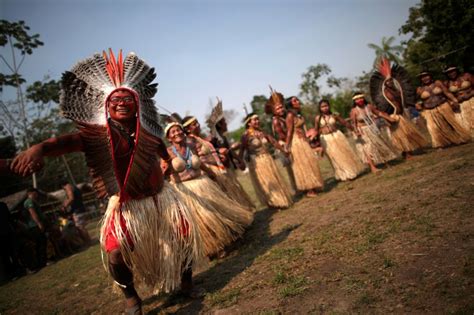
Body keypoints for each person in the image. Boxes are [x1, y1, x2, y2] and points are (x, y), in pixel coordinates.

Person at [10, 50, 203, 314]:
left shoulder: (149, 131)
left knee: (184, 237)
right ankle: (131, 297)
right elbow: (66, 142)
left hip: (161, 198)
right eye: (116, 99)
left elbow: (163, 153)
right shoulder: (97, 135)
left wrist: (167, 165)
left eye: (127, 98)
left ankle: (186, 282)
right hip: (125, 206)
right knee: (114, 252)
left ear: (137, 102)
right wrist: (39, 148)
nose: (122, 102)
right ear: (106, 106)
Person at [182, 114, 255, 211]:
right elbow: (195, 160)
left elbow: (209, 152)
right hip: (209, 172)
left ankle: (241, 212)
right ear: (187, 129)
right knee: (224, 195)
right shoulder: (189, 142)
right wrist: (209, 170)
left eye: (197, 123)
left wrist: (218, 153)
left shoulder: (199, 138)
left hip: (217, 168)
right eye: (194, 124)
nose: (198, 125)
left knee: (230, 192)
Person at [369, 58, 428, 158]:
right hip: (393, 116)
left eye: (391, 80)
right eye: (388, 81)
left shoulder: (396, 90)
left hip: (401, 115)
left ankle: (408, 150)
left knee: (407, 134)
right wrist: (388, 118)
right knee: (400, 136)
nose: (390, 82)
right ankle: (406, 153)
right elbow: (381, 107)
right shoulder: (386, 93)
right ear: (384, 83)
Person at [239, 113, 293, 209]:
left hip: (268, 159)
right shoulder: (246, 135)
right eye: (255, 120)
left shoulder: (263, 132)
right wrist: (241, 161)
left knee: (274, 179)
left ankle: (280, 199)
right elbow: (242, 149)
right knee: (266, 182)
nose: (257, 121)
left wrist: (283, 150)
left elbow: (273, 142)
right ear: (249, 123)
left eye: (258, 119)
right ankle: (273, 202)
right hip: (257, 162)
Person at [282, 94, 324, 196]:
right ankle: (309, 189)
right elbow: (289, 132)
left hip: (303, 141)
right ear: (290, 104)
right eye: (294, 101)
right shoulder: (290, 115)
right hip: (296, 142)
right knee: (303, 164)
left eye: (297, 100)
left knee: (310, 162)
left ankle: (313, 185)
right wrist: (287, 146)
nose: (297, 101)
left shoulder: (298, 114)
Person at [416, 71, 470, 148]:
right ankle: (441, 144)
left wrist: (454, 100)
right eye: (423, 77)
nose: (425, 78)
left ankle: (460, 138)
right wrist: (418, 105)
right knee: (434, 128)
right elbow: (418, 101)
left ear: (430, 76)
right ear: (421, 79)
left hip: (443, 106)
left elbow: (447, 92)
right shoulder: (419, 89)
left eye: (426, 76)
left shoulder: (437, 83)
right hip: (430, 111)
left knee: (452, 123)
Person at [315, 100, 366, 181]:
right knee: (335, 157)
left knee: (344, 154)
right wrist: (317, 143)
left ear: (329, 106)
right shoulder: (318, 118)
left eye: (326, 106)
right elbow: (316, 130)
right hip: (326, 139)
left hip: (337, 136)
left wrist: (354, 130)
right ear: (320, 108)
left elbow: (345, 123)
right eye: (322, 107)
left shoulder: (334, 115)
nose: (325, 108)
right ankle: (343, 174)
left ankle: (350, 173)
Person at [350, 93, 400, 173]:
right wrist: (357, 132)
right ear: (354, 101)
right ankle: (373, 168)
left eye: (361, 98)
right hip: (362, 130)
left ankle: (385, 162)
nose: (359, 100)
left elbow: (378, 113)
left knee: (379, 145)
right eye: (357, 99)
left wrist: (388, 118)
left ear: (363, 98)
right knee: (368, 149)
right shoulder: (354, 111)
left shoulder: (369, 106)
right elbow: (354, 123)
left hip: (372, 128)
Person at [443, 66, 474, 138]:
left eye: (453, 71)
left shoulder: (467, 76)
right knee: (464, 126)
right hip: (460, 106)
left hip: (472, 100)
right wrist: (452, 102)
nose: (451, 73)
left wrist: (470, 94)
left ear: (456, 70)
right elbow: (446, 95)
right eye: (449, 73)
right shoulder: (447, 83)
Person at [22, 188, 48, 271]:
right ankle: (42, 262)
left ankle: (42, 261)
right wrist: (39, 223)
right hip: (34, 226)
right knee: (40, 243)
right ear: (31, 193)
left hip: (36, 225)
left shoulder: (33, 201)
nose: (37, 194)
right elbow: (33, 213)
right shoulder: (29, 202)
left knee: (42, 242)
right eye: (35, 193)